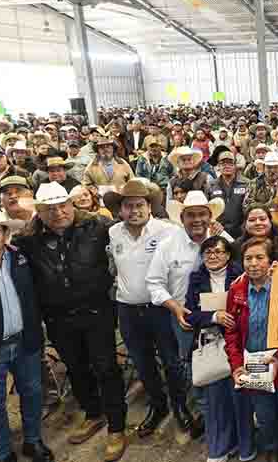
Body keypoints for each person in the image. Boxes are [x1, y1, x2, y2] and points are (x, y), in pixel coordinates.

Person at [13, 182, 128, 461]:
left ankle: (116, 426)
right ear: (39, 212)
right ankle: (93, 413)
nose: (58, 213)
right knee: (76, 368)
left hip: (97, 312)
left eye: (63, 205)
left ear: (71, 204)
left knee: (106, 368)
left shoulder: (98, 226)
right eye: (50, 209)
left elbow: (130, 234)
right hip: (58, 317)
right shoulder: (27, 239)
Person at [106, 180, 190, 438]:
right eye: (128, 206)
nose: (134, 211)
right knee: (143, 363)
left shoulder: (168, 231)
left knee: (172, 361)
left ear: (149, 206)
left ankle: (180, 406)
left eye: (139, 205)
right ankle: (158, 406)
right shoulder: (114, 232)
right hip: (127, 309)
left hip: (161, 309)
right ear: (121, 209)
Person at [0, 206, 52, 462]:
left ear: (6, 233)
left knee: (33, 393)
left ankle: (33, 440)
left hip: (26, 342)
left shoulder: (20, 258)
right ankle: (3, 454)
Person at [146, 191, 229, 437]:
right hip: (186, 318)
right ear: (182, 218)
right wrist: (174, 307)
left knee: (228, 361)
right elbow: (154, 283)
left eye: (202, 214)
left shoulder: (223, 239)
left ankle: (227, 410)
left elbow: (244, 267)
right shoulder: (168, 245)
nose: (197, 220)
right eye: (191, 215)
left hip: (225, 316)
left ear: (210, 216)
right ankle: (206, 414)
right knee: (196, 367)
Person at [226, 238, 278, 462]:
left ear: (271, 261)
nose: (253, 263)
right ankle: (271, 447)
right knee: (264, 414)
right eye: (248, 258)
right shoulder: (236, 290)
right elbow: (231, 333)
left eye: (259, 257)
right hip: (252, 365)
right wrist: (236, 365)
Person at [185, 236, 255, 462]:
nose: (213, 256)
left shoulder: (241, 275)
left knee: (241, 397)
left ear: (228, 255)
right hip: (212, 344)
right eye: (208, 252)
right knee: (216, 401)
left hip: (240, 343)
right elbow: (190, 314)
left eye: (218, 251)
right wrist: (214, 316)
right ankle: (220, 447)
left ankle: (246, 447)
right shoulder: (196, 279)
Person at [206, 150, 251, 239]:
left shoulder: (246, 183)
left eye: (230, 163)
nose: (227, 166)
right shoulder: (210, 185)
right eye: (223, 163)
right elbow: (206, 209)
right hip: (218, 231)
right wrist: (213, 222)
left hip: (242, 232)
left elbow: (250, 208)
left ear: (235, 166)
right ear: (218, 166)